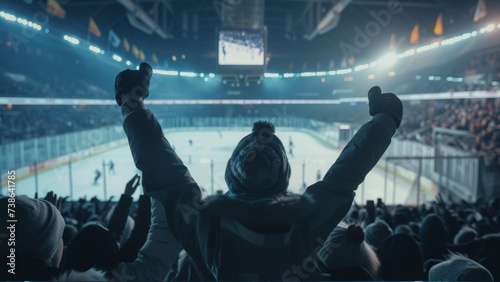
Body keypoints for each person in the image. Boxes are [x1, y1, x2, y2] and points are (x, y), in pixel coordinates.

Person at [114, 62, 403, 280]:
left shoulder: (205, 226)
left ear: (231, 172)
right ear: (284, 177)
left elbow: (165, 169)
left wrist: (134, 106)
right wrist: (386, 120)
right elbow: (346, 174)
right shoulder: (306, 223)